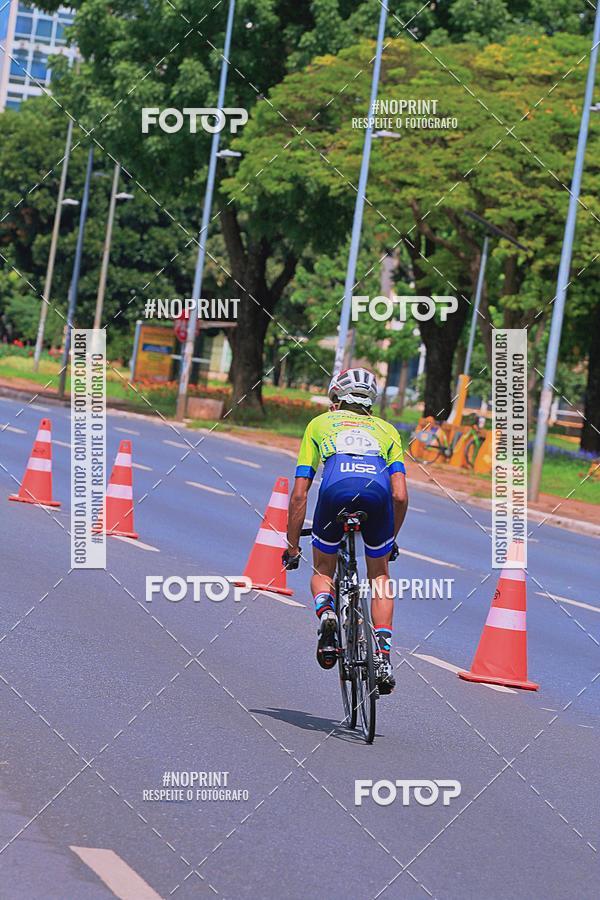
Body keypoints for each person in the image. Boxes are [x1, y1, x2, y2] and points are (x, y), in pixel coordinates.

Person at [282, 367, 408, 694]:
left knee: (323, 569)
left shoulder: (320, 424)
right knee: (378, 575)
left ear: (336, 399)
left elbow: (300, 493)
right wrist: (390, 538)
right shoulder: (388, 430)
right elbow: (400, 495)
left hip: (335, 492)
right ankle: (382, 654)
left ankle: (326, 614)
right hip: (378, 496)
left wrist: (292, 546)